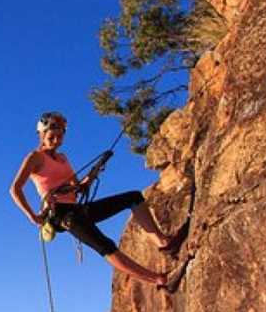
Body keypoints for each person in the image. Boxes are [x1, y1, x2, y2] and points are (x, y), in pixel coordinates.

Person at [10, 111, 185, 290]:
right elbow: (15, 188)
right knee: (105, 245)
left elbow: (77, 187)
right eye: (52, 136)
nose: (56, 140)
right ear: (41, 133)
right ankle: (160, 280)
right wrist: (32, 216)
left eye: (60, 137)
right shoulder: (35, 157)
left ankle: (164, 243)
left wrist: (94, 172)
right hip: (61, 215)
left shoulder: (62, 158)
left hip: (76, 208)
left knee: (133, 197)